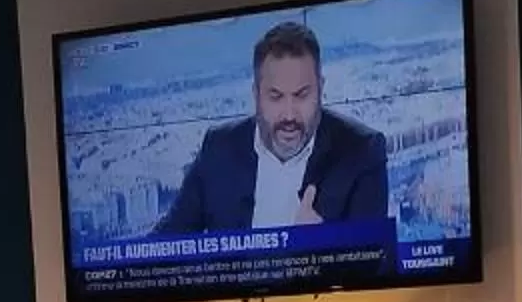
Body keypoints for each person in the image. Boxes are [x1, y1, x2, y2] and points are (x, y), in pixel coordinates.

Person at [153, 21, 392, 236]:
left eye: (301, 95)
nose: (289, 115)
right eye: (276, 96)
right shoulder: (218, 149)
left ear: (320, 89)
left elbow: (374, 265)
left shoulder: (360, 152)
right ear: (256, 95)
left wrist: (321, 247)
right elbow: (163, 246)